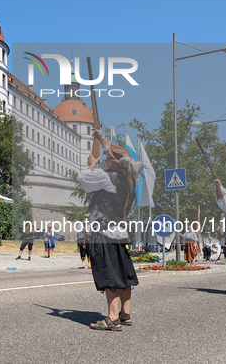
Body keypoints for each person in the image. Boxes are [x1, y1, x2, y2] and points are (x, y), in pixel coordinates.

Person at [78, 128, 142, 330]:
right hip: (120, 233)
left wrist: (91, 166)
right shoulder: (130, 179)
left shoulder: (109, 178)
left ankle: (113, 318)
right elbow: (113, 155)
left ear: (117, 162)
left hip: (105, 233)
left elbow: (84, 181)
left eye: (109, 157)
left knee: (110, 273)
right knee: (123, 273)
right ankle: (125, 313)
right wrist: (102, 139)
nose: (105, 158)